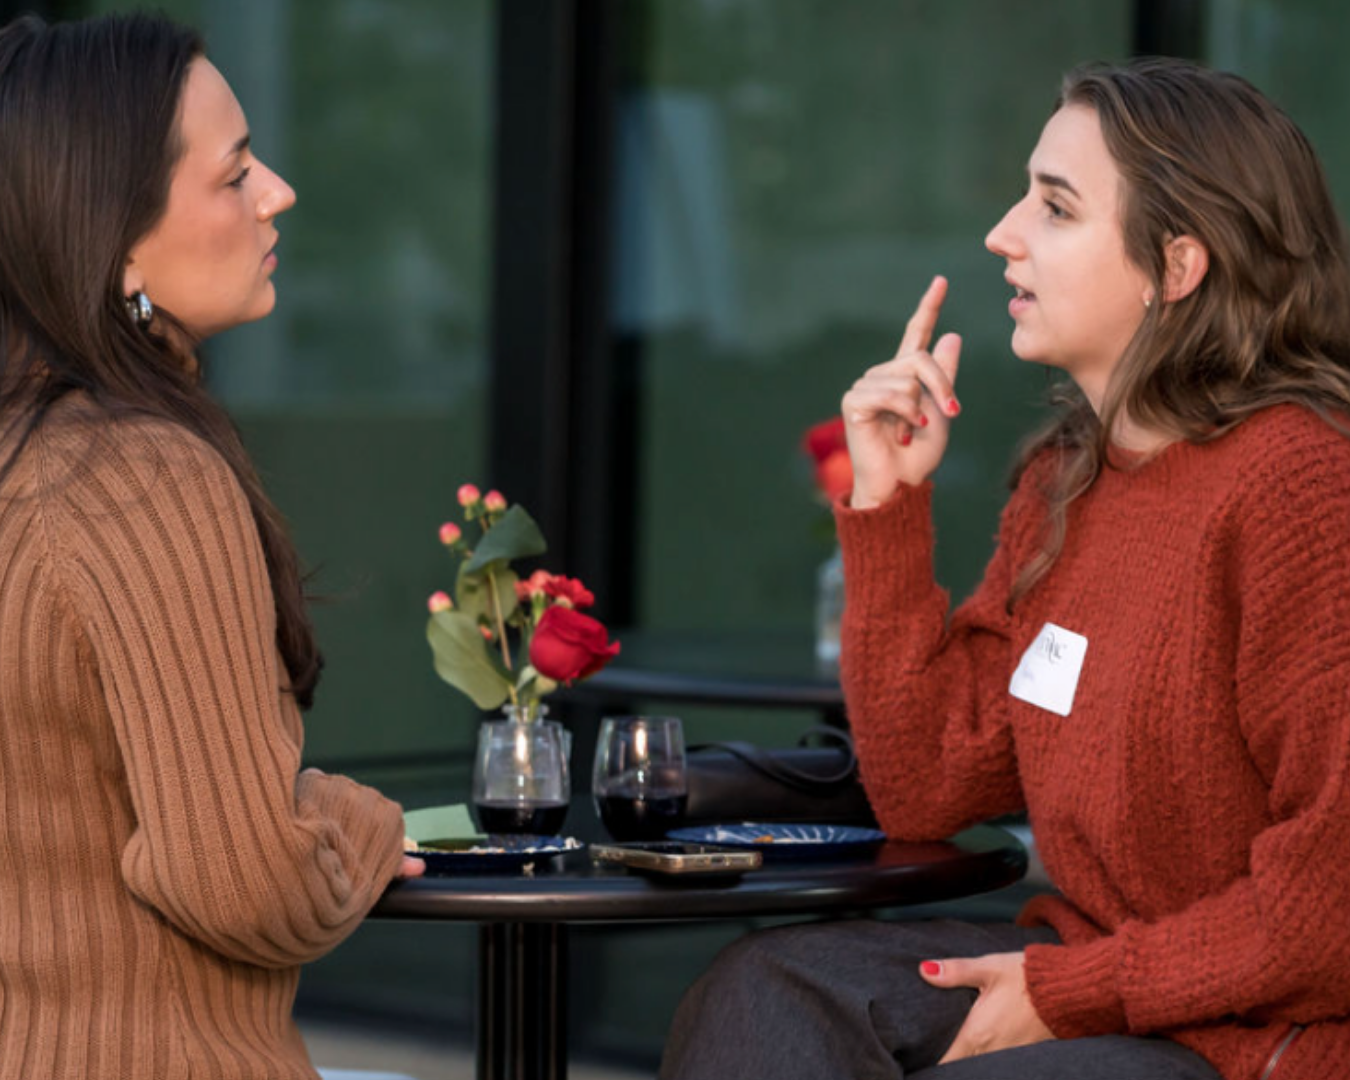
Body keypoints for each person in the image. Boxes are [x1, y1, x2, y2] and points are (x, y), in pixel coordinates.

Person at [659, 57, 1350, 1080]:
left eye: (1056, 208)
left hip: (1255, 1038)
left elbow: (1331, 910)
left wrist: (1075, 991)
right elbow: (927, 784)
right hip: (1097, 980)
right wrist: (886, 508)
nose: (1002, 233)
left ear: (1176, 265)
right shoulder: (1067, 480)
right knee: (768, 990)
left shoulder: (1302, 488)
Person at [0, 13, 423, 1080]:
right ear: (115, 238)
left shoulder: (23, 457)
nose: (277, 192)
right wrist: (355, 822)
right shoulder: (136, 474)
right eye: (234, 175)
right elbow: (245, 884)